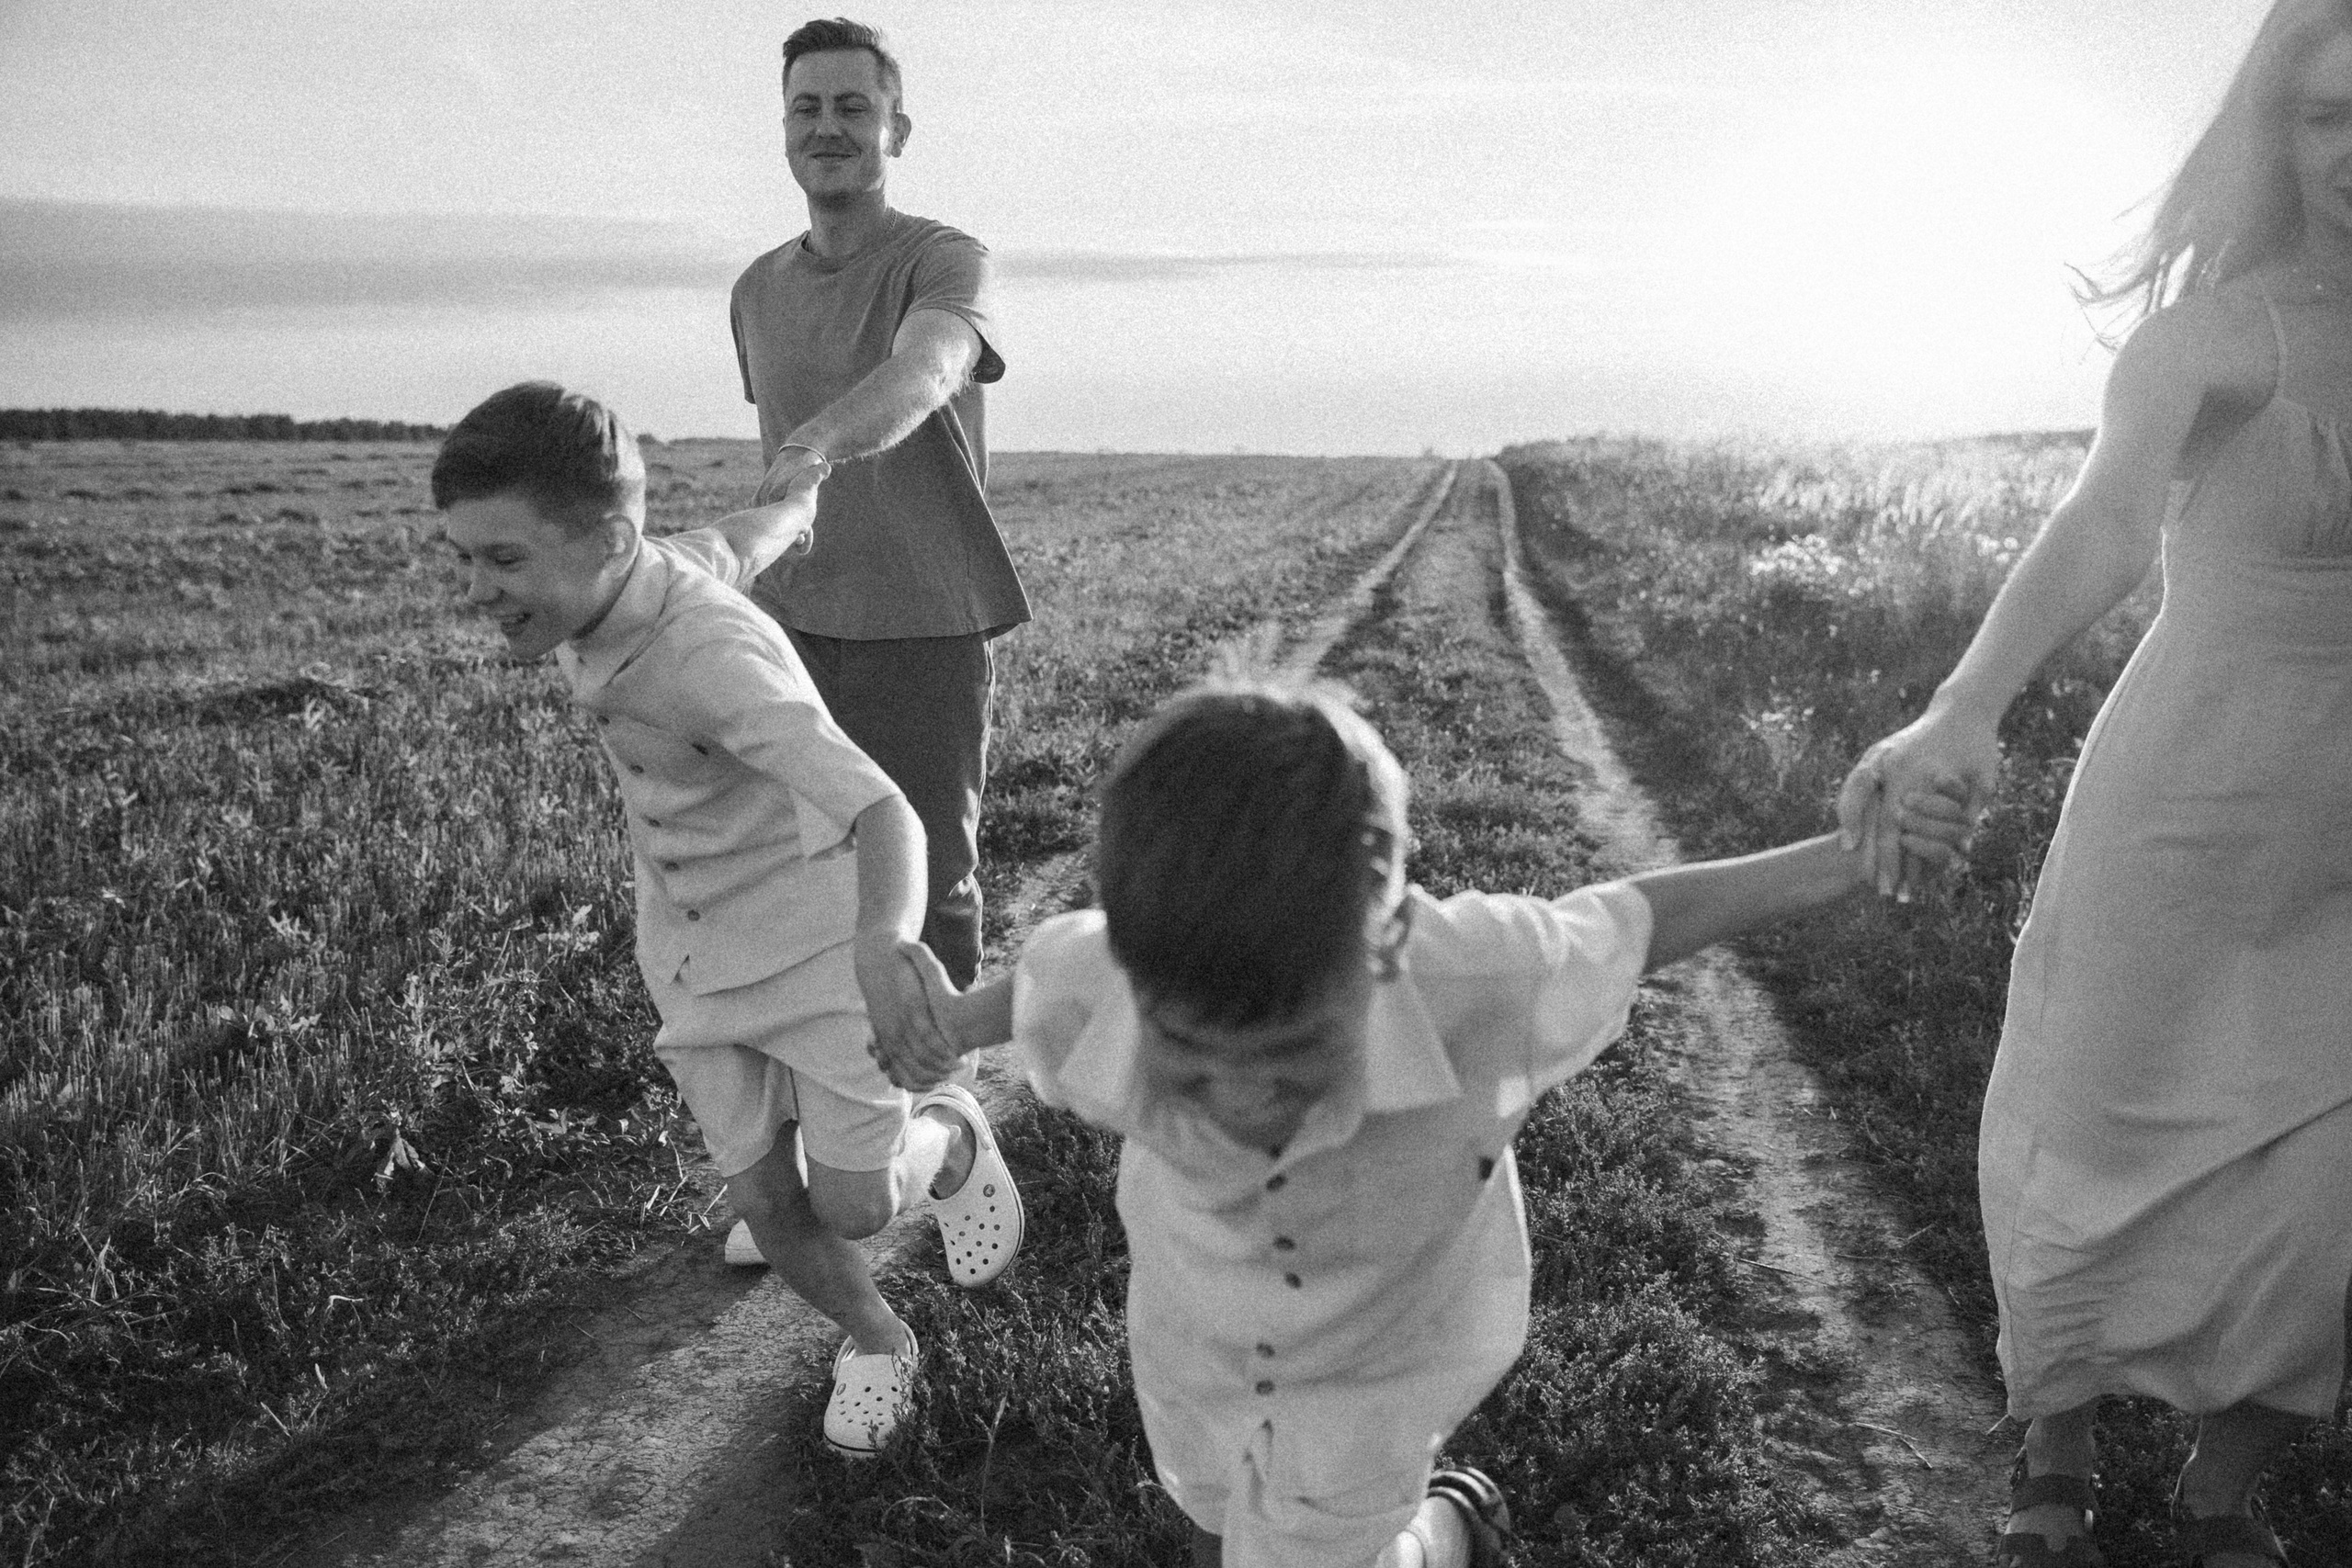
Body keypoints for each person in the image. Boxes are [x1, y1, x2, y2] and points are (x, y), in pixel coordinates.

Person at [877, 679, 1966, 1568]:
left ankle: (1445, 1529)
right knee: (1210, 1518)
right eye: (1193, 1059)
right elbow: (1042, 983)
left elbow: (1642, 920)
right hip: (1193, 1333)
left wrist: (1851, 852)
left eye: (1292, 1055)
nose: (1244, 1097)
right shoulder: (1106, 970)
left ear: (1389, 942)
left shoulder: (1482, 977)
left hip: (1383, 1360)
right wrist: (953, 1022)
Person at [1837, 5, 2352, 1562]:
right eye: (2328, 117)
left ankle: (2219, 1488)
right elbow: (2107, 524)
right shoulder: (2215, 337)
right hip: (2189, 794)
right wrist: (1964, 705)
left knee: (2325, 1177)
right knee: (2093, 1115)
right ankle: (2054, 1440)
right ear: (2278, 136)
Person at [430, 381, 1024, 1460]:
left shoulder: (712, 656)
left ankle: (945, 1140)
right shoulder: (615, 580)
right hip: (692, 950)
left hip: (815, 946)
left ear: (609, 541)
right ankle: (879, 1338)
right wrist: (798, 499)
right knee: (759, 1194)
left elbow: (881, 809)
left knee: (853, 1208)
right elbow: (740, 541)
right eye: (463, 557)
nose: (476, 589)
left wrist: (880, 946)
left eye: (502, 559)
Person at [729, 15, 1025, 997]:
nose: (828, 127)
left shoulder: (944, 260)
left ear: (896, 131)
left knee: (929, 889)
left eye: (853, 107)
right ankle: (835, 1076)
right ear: (783, 128)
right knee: (808, 883)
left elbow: (928, 369)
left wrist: (815, 443)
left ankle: (940, 1078)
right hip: (793, 630)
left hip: (924, 624)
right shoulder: (755, 288)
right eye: (806, 108)